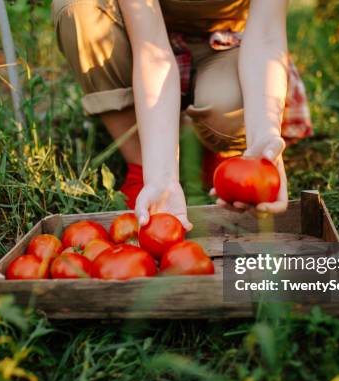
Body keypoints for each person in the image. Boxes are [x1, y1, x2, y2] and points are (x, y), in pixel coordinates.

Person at [51, 0, 312, 230]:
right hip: (141, 38)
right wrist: (160, 177)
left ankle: (224, 153)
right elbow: (152, 52)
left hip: (229, 44)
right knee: (75, 6)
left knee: (226, 103)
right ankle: (143, 166)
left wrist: (263, 135)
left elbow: (265, 36)